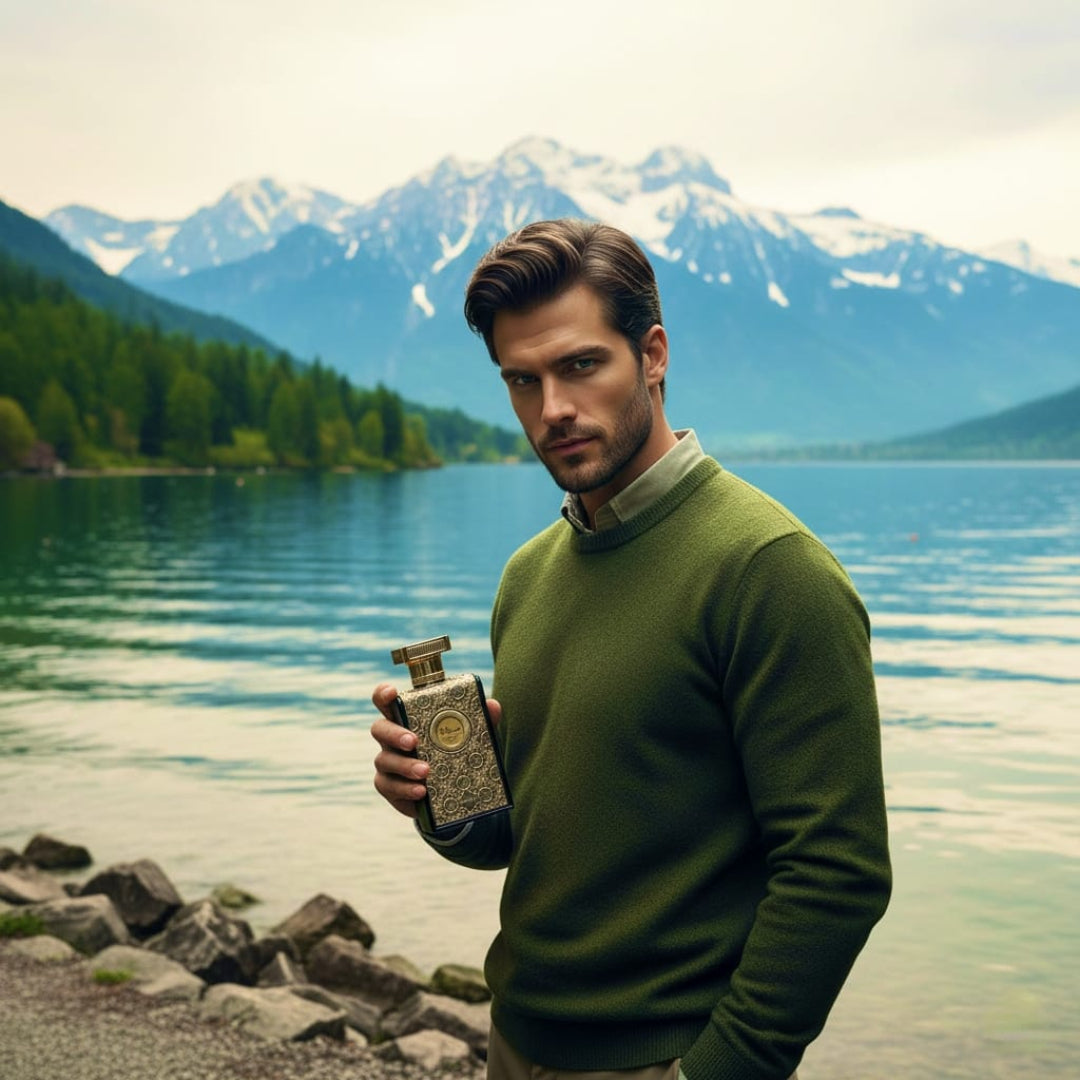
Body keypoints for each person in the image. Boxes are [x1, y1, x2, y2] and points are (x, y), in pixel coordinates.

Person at [371, 219, 892, 1080]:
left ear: (652, 354)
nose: (553, 410)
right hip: (516, 1041)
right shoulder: (528, 576)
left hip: (667, 1060)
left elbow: (838, 873)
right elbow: (524, 835)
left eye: (581, 365)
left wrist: (719, 1069)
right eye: (522, 381)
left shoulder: (770, 570)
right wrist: (437, 797)